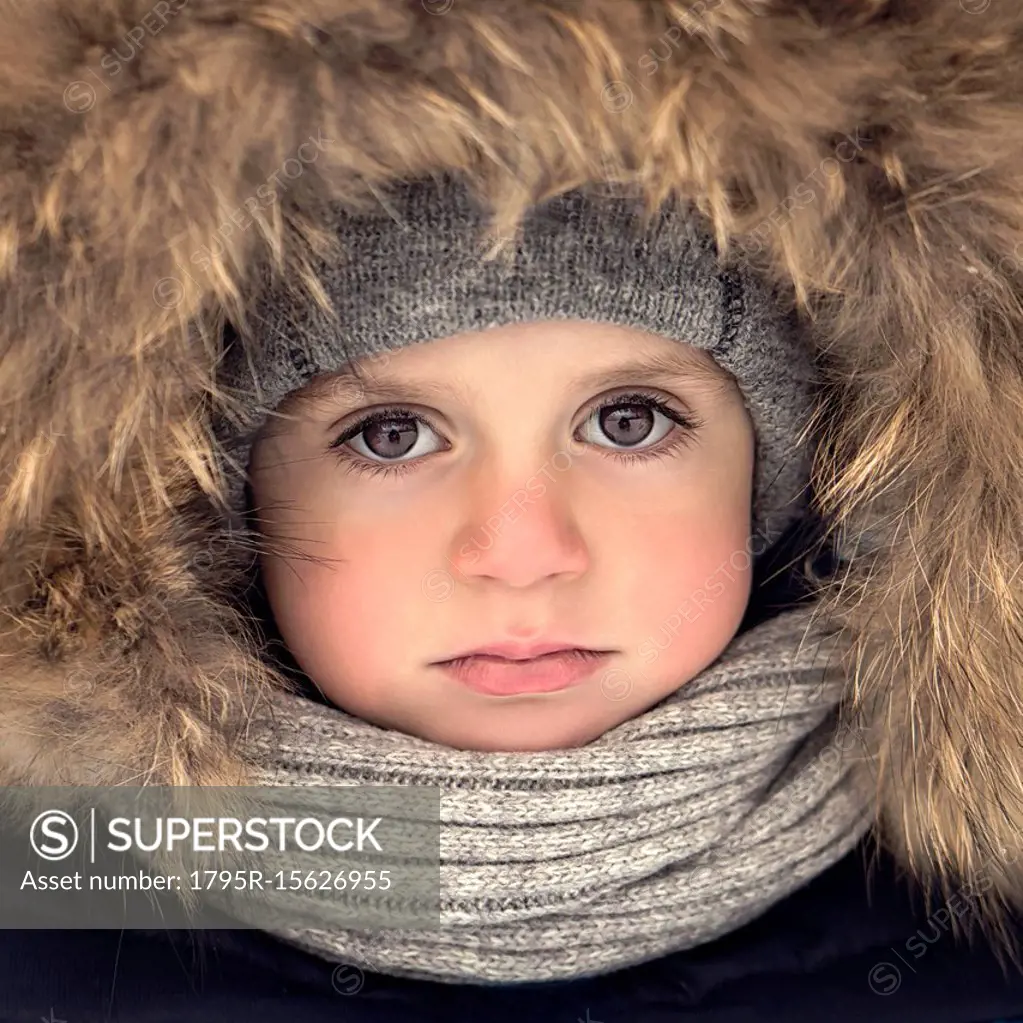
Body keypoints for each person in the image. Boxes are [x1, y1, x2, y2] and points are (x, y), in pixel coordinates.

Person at [3, 0, 1023, 1020]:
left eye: (627, 421)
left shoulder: (970, 933)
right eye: (391, 435)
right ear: (198, 511)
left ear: (795, 472)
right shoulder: (51, 918)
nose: (523, 552)